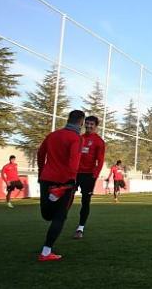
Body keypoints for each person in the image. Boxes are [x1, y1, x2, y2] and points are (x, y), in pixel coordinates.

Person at [36, 110, 85, 261]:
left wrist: (41, 171)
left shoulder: (52, 135)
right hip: (64, 182)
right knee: (60, 216)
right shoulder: (76, 138)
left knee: (47, 215)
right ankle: (46, 252)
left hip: (46, 179)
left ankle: (52, 198)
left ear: (68, 119)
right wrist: (71, 179)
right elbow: (73, 161)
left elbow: (40, 154)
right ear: (81, 122)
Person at [73, 116, 105, 239]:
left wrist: (94, 176)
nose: (89, 126)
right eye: (87, 123)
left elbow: (100, 161)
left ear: (96, 126)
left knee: (85, 201)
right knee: (67, 197)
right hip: (74, 173)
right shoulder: (79, 138)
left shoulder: (99, 141)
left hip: (88, 176)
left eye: (91, 124)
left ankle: (80, 228)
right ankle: (59, 220)